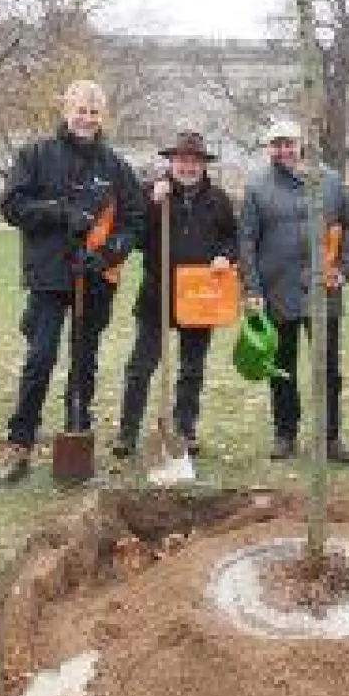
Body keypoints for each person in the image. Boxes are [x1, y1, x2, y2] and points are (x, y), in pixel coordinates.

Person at [0, 79, 144, 483]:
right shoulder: (35, 155)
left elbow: (135, 219)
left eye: (94, 112)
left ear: (102, 116)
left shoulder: (114, 166)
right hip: (48, 276)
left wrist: (109, 253)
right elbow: (12, 207)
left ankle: (78, 431)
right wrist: (61, 212)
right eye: (81, 110)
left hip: (93, 281)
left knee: (84, 361)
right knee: (40, 357)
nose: (87, 118)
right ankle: (20, 442)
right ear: (66, 110)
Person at [238, 118, 349, 464]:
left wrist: (343, 268)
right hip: (276, 290)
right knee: (282, 365)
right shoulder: (257, 187)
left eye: (289, 143)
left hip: (323, 291)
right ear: (269, 148)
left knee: (328, 367)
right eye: (276, 144)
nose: (283, 150)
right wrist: (251, 287)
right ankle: (285, 434)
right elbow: (246, 240)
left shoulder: (330, 181)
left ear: (301, 144)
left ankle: (330, 437)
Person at [112, 129, 239, 459]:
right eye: (182, 160)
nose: (188, 167)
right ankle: (127, 432)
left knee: (192, 368)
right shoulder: (151, 194)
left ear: (203, 165)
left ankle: (185, 428)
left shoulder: (218, 201)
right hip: (157, 295)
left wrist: (226, 255)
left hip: (200, 297)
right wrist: (152, 204)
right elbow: (135, 236)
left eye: (194, 161)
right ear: (171, 162)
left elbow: (234, 238)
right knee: (141, 365)